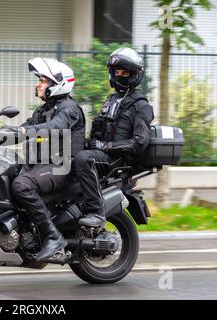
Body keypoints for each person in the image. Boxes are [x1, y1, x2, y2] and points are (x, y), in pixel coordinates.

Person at [11, 57, 86, 262]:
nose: (38, 84)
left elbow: (53, 128)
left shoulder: (69, 108)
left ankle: (53, 237)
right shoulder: (43, 109)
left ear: (58, 83)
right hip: (42, 165)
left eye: (43, 80)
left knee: (21, 185)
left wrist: (25, 130)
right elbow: (23, 129)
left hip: (62, 168)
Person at [73, 47, 154, 228]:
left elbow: (140, 142)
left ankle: (96, 211)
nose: (119, 75)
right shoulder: (112, 100)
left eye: (124, 72)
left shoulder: (141, 105)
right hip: (101, 153)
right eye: (116, 71)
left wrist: (104, 146)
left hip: (117, 159)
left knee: (83, 159)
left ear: (134, 75)